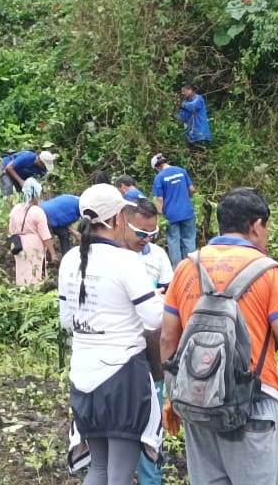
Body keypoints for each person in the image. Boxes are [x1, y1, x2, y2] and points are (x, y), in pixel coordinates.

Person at [160, 188, 278, 485]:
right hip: (255, 406)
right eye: (267, 227)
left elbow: (167, 338)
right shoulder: (269, 273)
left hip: (199, 406)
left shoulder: (186, 267)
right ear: (256, 225)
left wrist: (174, 394)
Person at [58, 184, 163, 485]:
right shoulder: (126, 261)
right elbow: (154, 318)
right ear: (118, 218)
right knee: (119, 473)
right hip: (122, 377)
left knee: (100, 469)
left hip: (83, 376)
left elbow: (67, 320)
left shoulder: (69, 260)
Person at [119, 197, 170, 485]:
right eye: (141, 233)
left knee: (153, 427)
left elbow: (169, 293)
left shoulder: (158, 256)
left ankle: (152, 480)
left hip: (152, 354)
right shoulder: (109, 259)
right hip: (120, 355)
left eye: (152, 234)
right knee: (121, 430)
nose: (146, 240)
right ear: (121, 223)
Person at [151, 154, 196, 266]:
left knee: (173, 242)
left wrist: (159, 215)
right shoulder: (181, 171)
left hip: (171, 216)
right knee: (189, 239)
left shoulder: (159, 177)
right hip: (187, 212)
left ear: (157, 167)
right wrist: (188, 197)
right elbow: (192, 189)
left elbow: (160, 199)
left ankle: (178, 270)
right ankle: (191, 267)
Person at [8, 178, 53, 286]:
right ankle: (34, 293)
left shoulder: (15, 209)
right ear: (36, 194)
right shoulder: (37, 211)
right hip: (34, 246)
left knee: (22, 270)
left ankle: (21, 291)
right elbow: (45, 235)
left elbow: (11, 231)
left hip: (18, 245)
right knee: (35, 271)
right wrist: (53, 253)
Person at [176, 84, 211, 150]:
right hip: (190, 138)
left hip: (201, 136)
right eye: (182, 91)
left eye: (184, 91)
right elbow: (182, 117)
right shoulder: (184, 103)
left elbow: (193, 107)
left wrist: (182, 106)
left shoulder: (198, 98)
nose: (183, 93)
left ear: (190, 90)